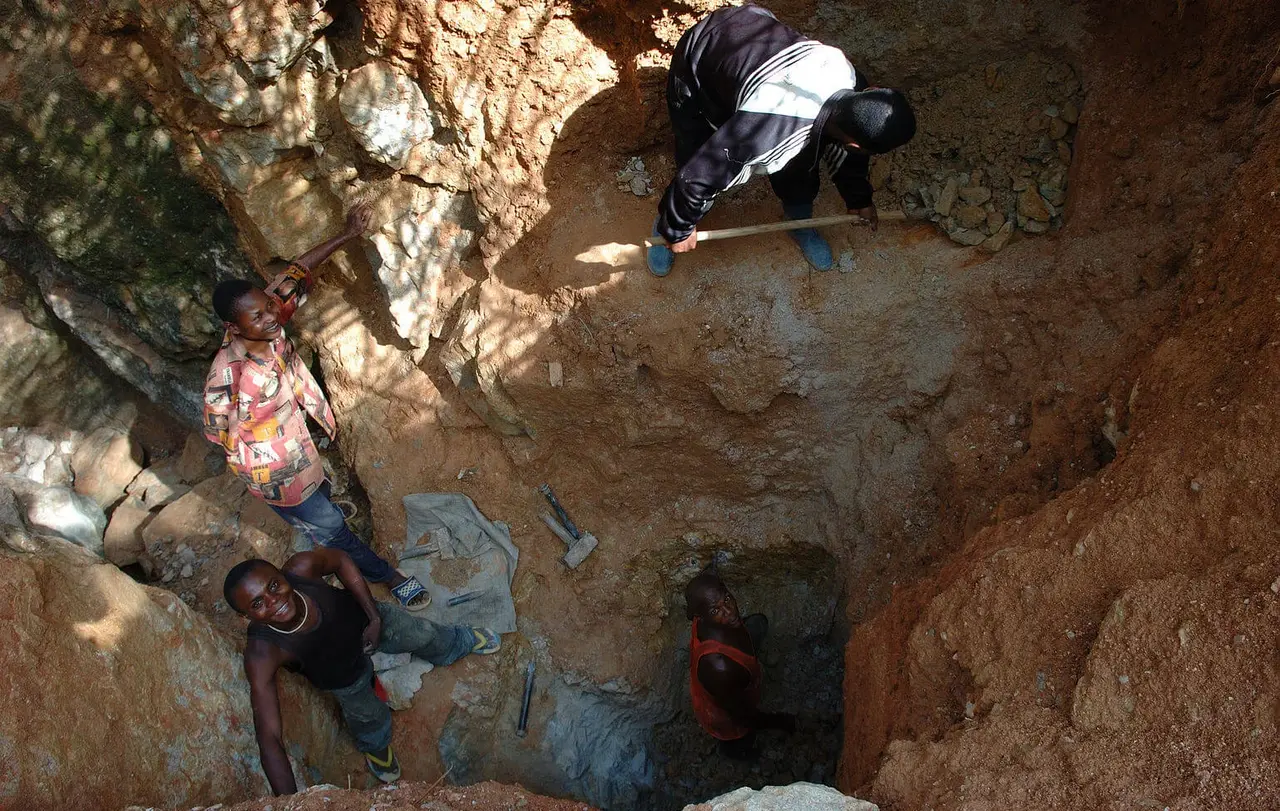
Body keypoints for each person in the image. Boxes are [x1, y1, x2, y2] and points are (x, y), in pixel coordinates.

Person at [202, 205, 430, 610]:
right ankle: (387, 576)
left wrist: (348, 233)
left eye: (270, 307)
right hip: (277, 473)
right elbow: (218, 433)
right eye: (259, 316)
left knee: (322, 493)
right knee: (334, 532)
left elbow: (297, 272)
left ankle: (321, 514)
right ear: (233, 328)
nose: (273, 317)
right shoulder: (228, 378)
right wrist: (261, 460)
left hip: (299, 444)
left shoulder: (266, 314)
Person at [648, 4, 917, 276]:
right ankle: (664, 226)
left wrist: (858, 200)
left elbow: (848, 156)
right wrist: (678, 228)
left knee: (800, 163)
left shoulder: (852, 81)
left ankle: (798, 220)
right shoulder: (765, 130)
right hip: (700, 61)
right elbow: (699, 175)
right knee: (693, 151)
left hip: (751, 26)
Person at [223, 549, 502, 792]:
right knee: (367, 716)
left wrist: (374, 617)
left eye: (274, 585)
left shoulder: (302, 567)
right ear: (245, 616)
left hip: (370, 624)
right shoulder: (263, 652)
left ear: (281, 574)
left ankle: (458, 642)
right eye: (257, 604)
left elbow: (342, 561)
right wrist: (291, 803)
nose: (274, 601)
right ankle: (377, 748)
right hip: (342, 677)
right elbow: (269, 737)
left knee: (424, 634)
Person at [684, 568, 794, 758]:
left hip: (727, 680)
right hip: (725, 715)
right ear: (699, 615)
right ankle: (741, 754)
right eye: (715, 610)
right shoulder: (720, 668)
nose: (729, 611)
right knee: (739, 737)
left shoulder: (709, 618)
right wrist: (776, 721)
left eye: (726, 599)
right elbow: (740, 714)